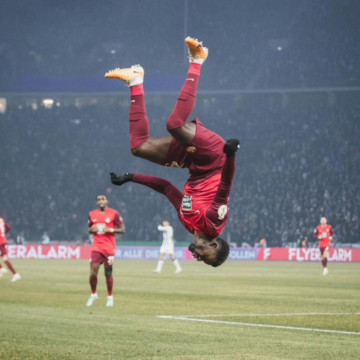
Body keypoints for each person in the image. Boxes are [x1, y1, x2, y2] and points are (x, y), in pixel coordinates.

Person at [105, 37, 239, 268]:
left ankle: (135, 81)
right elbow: (225, 185)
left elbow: (166, 187)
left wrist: (130, 177)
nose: (198, 258)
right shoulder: (214, 223)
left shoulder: (188, 222)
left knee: (139, 147)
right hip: (215, 157)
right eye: (205, 257)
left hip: (193, 163)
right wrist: (230, 154)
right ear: (214, 245)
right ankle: (197, 60)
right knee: (174, 124)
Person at [86, 195, 125, 307]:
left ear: (106, 201)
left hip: (109, 248)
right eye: (98, 199)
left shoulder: (114, 213)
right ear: (96, 202)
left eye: (103, 199)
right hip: (96, 247)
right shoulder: (91, 214)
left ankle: (110, 297)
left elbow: (122, 229)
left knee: (108, 273)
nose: (101, 201)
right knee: (93, 273)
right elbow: (89, 229)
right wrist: (90, 229)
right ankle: (93, 294)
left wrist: (110, 229)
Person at [0, 216, 21, 282]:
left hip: (0, 241)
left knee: (5, 259)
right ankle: (4, 270)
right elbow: (8, 227)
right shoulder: (1, 219)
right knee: (5, 258)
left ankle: (14, 274)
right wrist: (3, 234)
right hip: (3, 240)